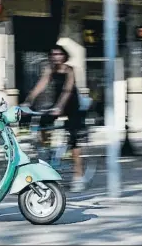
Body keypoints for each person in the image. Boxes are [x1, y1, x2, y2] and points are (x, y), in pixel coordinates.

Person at [21, 44, 87, 192]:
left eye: (59, 54)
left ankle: (79, 175)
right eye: (53, 54)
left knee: (74, 139)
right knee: (41, 122)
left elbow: (67, 90)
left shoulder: (70, 70)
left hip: (71, 104)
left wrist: (59, 107)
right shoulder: (50, 69)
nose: (56, 57)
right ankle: (47, 152)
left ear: (64, 56)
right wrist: (28, 101)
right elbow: (40, 86)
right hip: (57, 104)